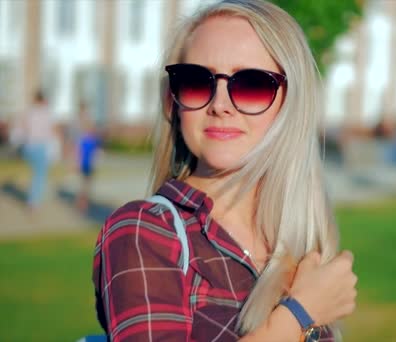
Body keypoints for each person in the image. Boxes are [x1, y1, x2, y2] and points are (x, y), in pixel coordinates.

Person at [92, 1, 357, 341]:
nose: (219, 104)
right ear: (173, 101)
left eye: (251, 84)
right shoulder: (146, 231)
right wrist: (299, 315)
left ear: (291, 105)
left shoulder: (299, 246)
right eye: (196, 81)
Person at [16, 90, 57, 211]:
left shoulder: (29, 112)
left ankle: (34, 199)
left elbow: (22, 129)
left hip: (29, 146)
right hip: (40, 146)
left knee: (36, 174)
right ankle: (33, 202)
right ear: (43, 100)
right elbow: (52, 131)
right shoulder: (46, 113)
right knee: (39, 175)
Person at [74, 102, 100, 212]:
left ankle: (83, 201)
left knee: (86, 181)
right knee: (86, 181)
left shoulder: (88, 137)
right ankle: (82, 202)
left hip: (87, 155)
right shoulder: (83, 134)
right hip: (85, 157)